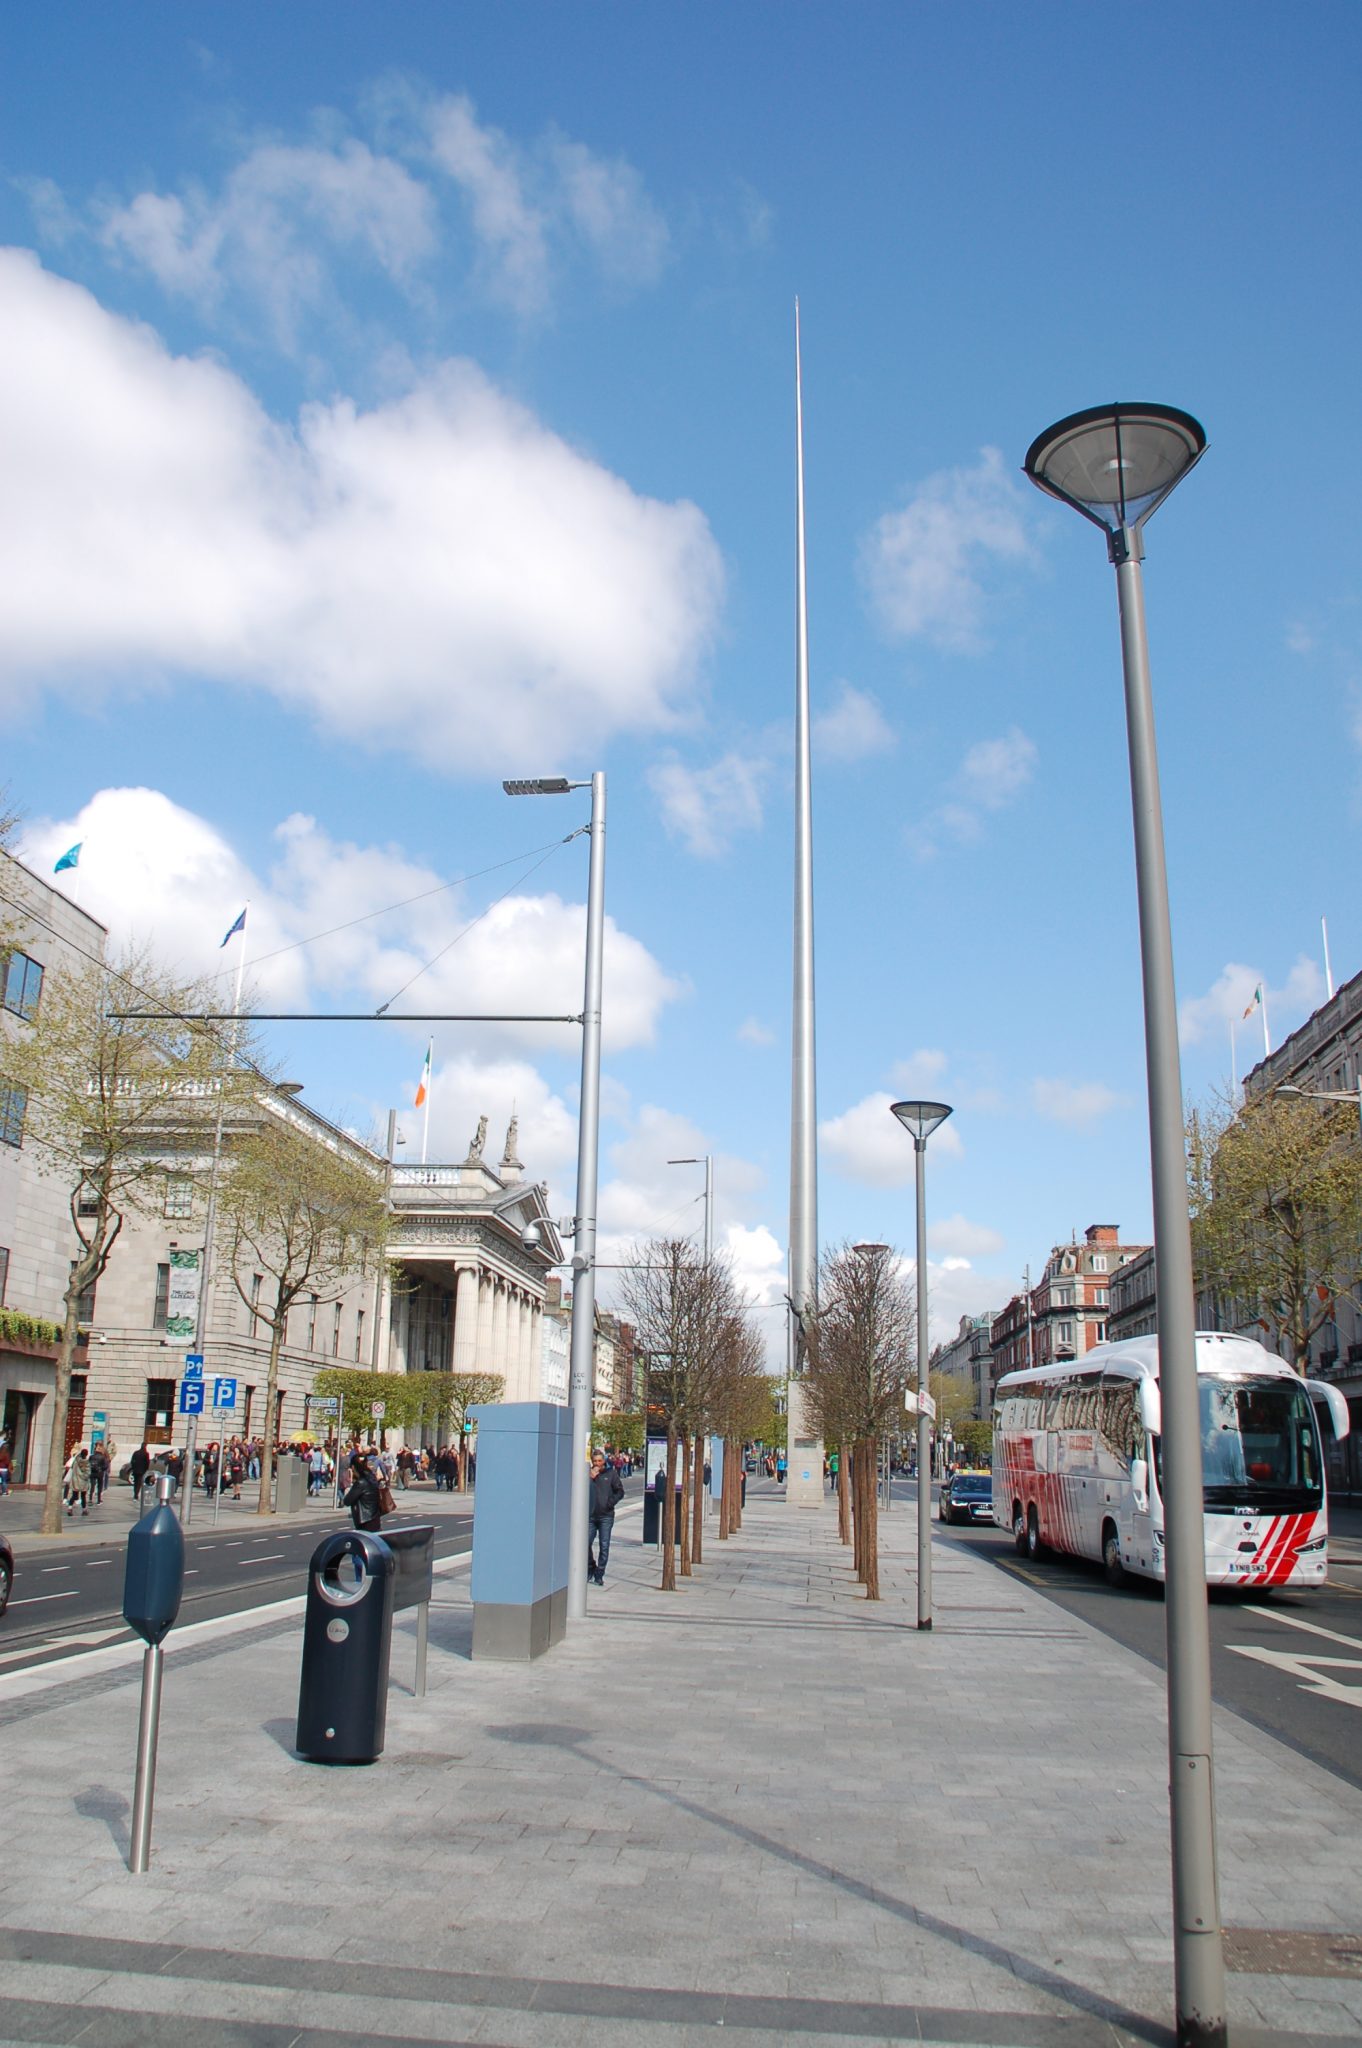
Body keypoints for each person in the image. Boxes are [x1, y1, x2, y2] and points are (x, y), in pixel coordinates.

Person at [587, 1450, 625, 1587]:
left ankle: (599, 1573)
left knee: (604, 1545)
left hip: (605, 1516)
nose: (597, 1463)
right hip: (590, 1515)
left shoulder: (611, 1474)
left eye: (599, 1461)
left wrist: (610, 1503)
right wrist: (589, 1478)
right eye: (595, 1461)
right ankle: (591, 1566)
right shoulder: (588, 1474)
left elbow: (620, 1491)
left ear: (603, 1461)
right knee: (585, 1543)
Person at [342, 1452, 383, 1532]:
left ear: (353, 1467)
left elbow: (347, 1501)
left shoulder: (361, 1483)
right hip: (374, 1517)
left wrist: (348, 1492)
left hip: (365, 1520)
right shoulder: (372, 1478)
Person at [66, 1447, 93, 1516]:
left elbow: (72, 1469)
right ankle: (84, 1510)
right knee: (83, 1496)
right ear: (86, 1454)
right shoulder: (86, 1462)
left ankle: (70, 1508)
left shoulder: (75, 1461)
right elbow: (87, 1472)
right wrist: (85, 1477)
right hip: (83, 1482)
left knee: (74, 1495)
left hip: (75, 1481)